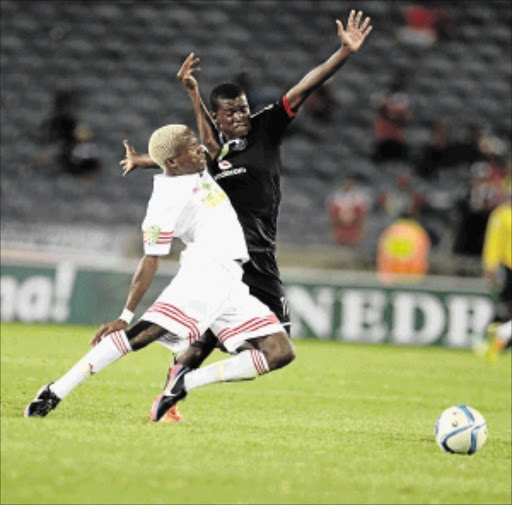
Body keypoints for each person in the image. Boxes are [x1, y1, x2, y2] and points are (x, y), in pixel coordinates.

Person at [120, 9, 373, 422]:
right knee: (226, 340)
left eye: (242, 109)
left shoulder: (266, 127)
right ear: (218, 118)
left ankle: (176, 384)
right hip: (223, 257)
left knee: (254, 343)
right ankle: (173, 394)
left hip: (261, 257)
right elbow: (185, 156)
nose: (240, 116)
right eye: (231, 113)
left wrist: (342, 53)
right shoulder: (213, 155)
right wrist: (146, 158)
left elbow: (306, 85)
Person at [24, 125, 295, 419]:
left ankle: (185, 382)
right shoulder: (166, 200)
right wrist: (124, 316)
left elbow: (172, 157)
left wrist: (143, 159)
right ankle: (54, 391)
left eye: (196, 144)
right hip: (206, 270)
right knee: (140, 335)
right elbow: (150, 259)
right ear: (175, 163)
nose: (201, 149)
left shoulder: (194, 168)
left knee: (279, 351)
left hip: (231, 281)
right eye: (192, 147)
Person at [481, 180, 511, 362]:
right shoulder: (502, 215)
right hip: (509, 267)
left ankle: (498, 336)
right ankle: (494, 337)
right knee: (505, 305)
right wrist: (490, 265)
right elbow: (493, 242)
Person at [371, 75, 411, 164]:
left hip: (397, 140)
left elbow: (402, 116)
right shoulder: (384, 99)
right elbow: (380, 108)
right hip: (383, 139)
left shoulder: (403, 100)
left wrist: (391, 109)